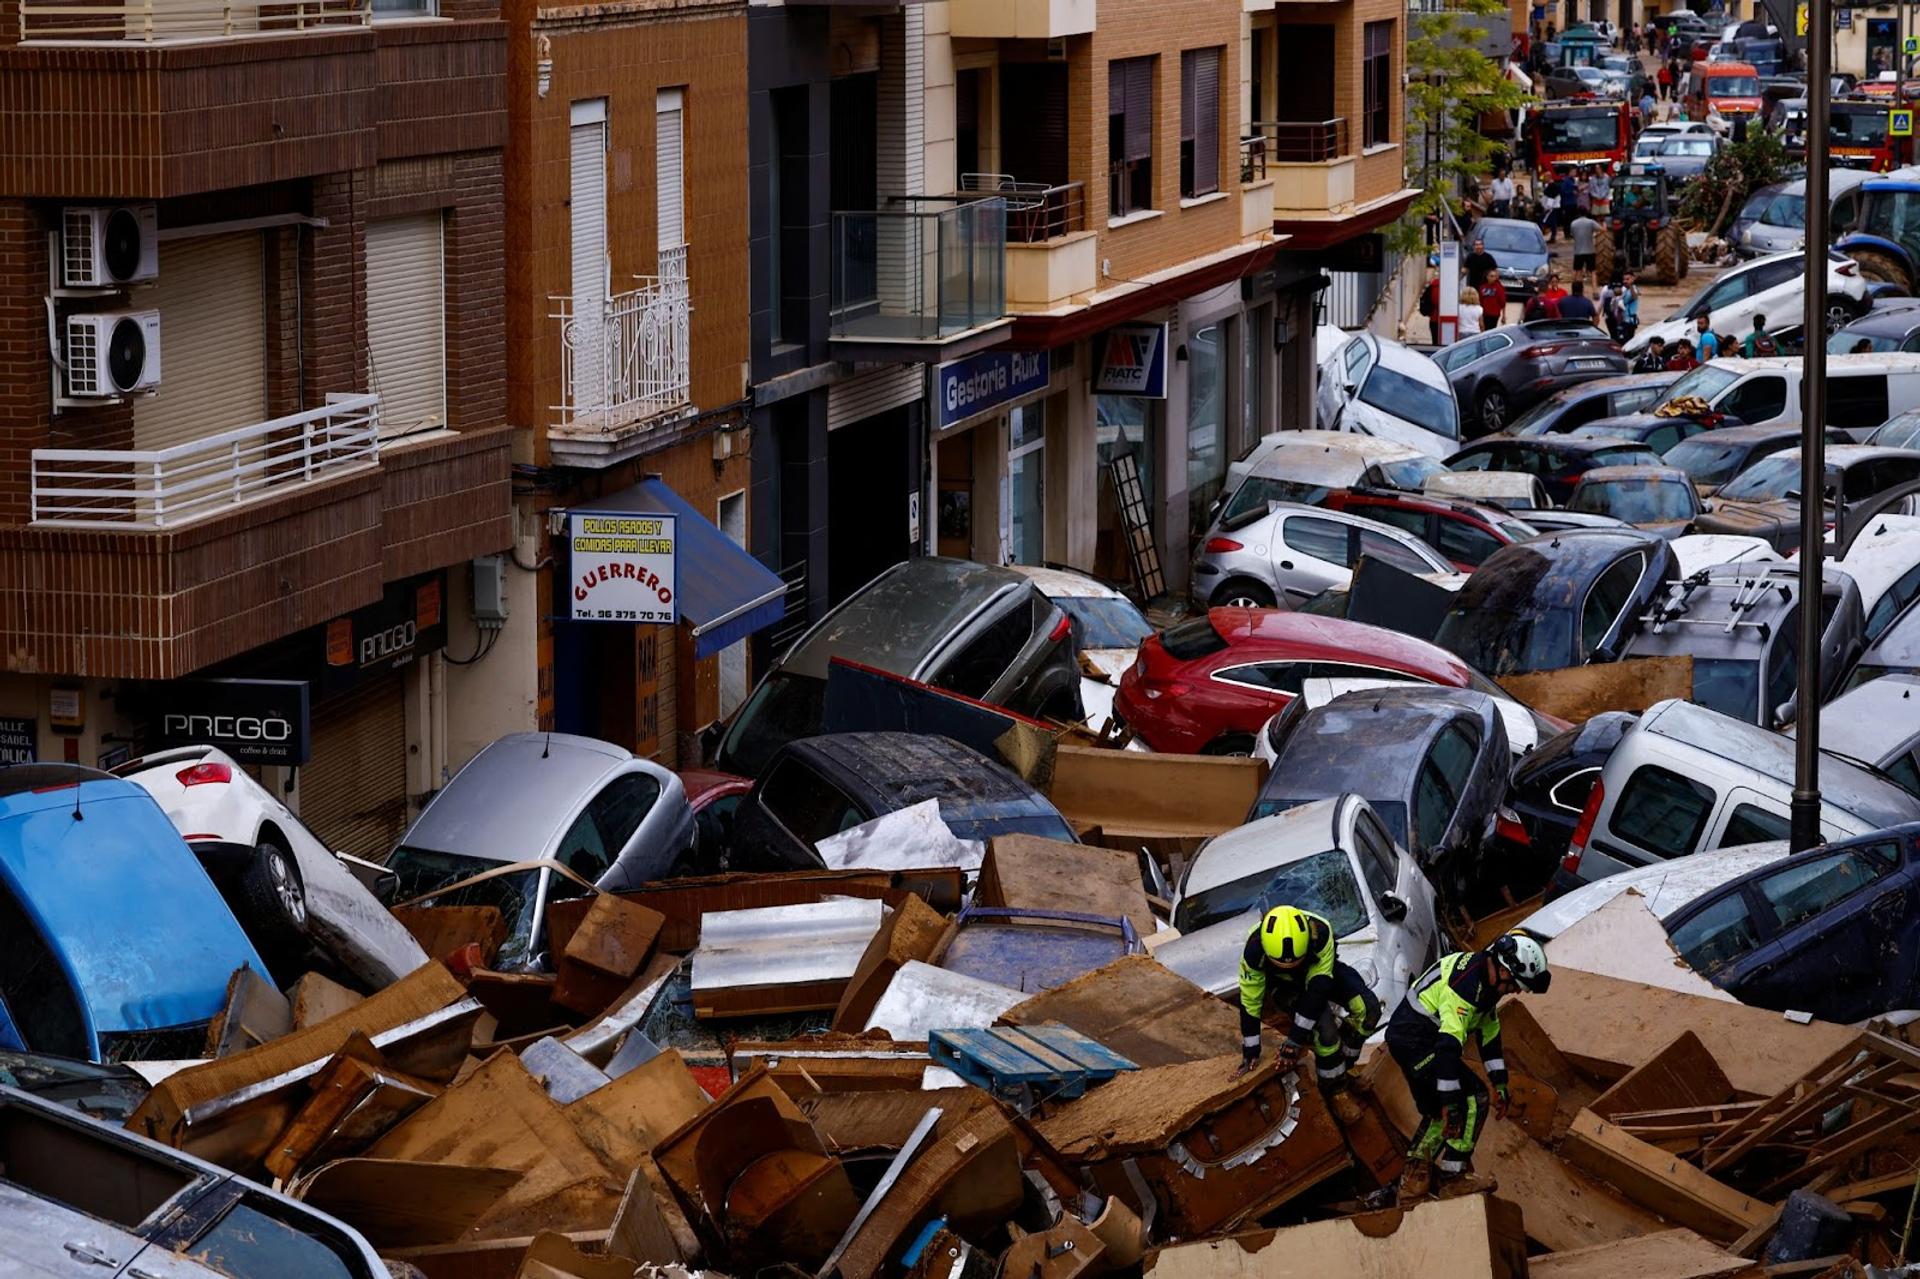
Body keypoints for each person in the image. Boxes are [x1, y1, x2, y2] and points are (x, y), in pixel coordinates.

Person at [1389, 933, 1552, 1200]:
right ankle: (1452, 1178)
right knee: (1472, 1098)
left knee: (1440, 1110)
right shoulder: (1464, 987)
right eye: (1515, 984)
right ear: (1502, 969)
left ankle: (1414, 1178)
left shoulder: (1487, 985)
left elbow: (1489, 1038)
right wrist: (1450, 1101)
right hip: (1415, 1041)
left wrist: (1500, 1084)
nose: (1517, 991)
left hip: (1422, 1038)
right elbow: (1447, 1049)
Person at [1237, 905, 1381, 1125]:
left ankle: (1342, 1070)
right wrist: (1251, 1049)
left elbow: (1318, 990)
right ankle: (1335, 1091)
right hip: (1284, 987)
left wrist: (1294, 1041)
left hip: (1321, 973)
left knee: (1368, 1009)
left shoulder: (1321, 934)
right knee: (1326, 1033)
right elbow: (1250, 1001)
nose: (1289, 966)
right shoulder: (1254, 951)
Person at [1569, 210, 1600, 282]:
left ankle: (1575, 288)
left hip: (1578, 252)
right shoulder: (1591, 222)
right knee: (1593, 272)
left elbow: (1573, 235)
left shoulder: (1573, 223)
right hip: (1590, 251)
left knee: (1577, 271)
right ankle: (1595, 290)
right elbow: (1602, 229)